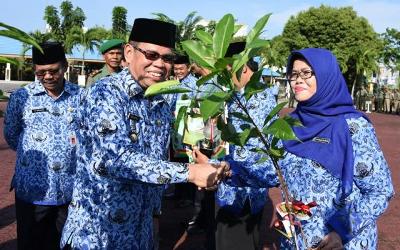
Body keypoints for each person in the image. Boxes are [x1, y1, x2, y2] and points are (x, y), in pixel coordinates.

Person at [60, 18, 229, 250]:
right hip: (97, 234)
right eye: (151, 55)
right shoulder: (105, 93)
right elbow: (116, 159)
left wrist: (199, 164)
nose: (160, 64)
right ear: (129, 53)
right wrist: (189, 172)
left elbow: (156, 157)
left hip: (141, 231)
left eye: (167, 58)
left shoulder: (161, 99)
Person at [224, 48, 394, 249]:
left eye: (306, 73)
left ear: (325, 74)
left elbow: (380, 191)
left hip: (340, 243)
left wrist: (342, 231)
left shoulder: (352, 126)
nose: (297, 80)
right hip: (297, 240)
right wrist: (225, 170)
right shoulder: (289, 124)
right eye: (293, 74)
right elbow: (273, 174)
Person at [194, 42, 279, 250]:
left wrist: (212, 164)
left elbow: (250, 155)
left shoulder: (255, 100)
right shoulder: (242, 96)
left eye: (228, 70)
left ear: (243, 68)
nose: (224, 76)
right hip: (236, 189)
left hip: (241, 194)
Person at [3, 41, 81, 250]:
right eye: (41, 73)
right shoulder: (22, 97)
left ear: (65, 66)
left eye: (53, 71)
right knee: (31, 244)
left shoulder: (80, 96)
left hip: (69, 190)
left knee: (66, 244)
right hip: (32, 191)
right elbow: (12, 135)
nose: (47, 77)